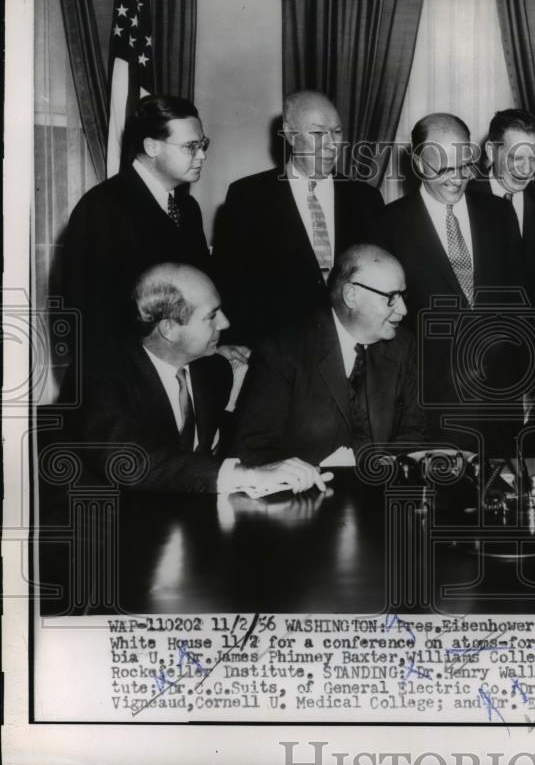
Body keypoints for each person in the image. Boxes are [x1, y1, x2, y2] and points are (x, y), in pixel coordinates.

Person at [78, 264, 327, 494]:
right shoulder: (96, 376)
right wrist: (245, 475)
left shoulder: (212, 370)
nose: (225, 323)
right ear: (169, 329)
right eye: (211, 316)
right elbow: (128, 460)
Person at [377, 113, 525, 447]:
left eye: (465, 164)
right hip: (428, 401)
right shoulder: (387, 225)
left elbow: (519, 300)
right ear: (416, 162)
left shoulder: (499, 214)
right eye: (442, 166)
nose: (457, 178)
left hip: (500, 398)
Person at [212, 90, 385, 347]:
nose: (331, 144)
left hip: (351, 346)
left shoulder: (366, 198)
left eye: (336, 132)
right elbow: (229, 282)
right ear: (290, 135)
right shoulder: (247, 196)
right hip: (275, 349)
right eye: (317, 134)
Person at [232, 244, 425, 466]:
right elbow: (252, 450)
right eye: (391, 297)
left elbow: (413, 433)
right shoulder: (283, 352)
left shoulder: (403, 345)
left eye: (403, 295)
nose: (403, 309)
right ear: (351, 296)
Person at [59, 95, 215, 368]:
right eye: (191, 146)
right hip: (123, 376)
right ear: (152, 147)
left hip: (179, 365)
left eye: (203, 145)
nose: (201, 155)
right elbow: (89, 315)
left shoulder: (188, 208)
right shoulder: (102, 207)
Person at [467, 108, 535, 304]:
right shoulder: (465, 199)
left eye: (533, 159)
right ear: (491, 151)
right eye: (516, 158)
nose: (526, 170)